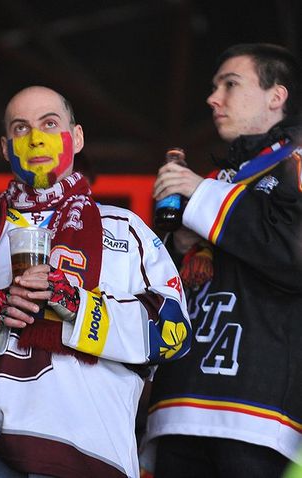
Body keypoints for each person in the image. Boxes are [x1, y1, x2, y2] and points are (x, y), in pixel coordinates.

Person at [0, 85, 191, 478]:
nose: (36, 137)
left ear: (76, 138)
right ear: (6, 148)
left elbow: (173, 331)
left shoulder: (126, 230)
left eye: (49, 123)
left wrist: (78, 305)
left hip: (95, 453)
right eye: (21, 128)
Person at [147, 43, 302, 477]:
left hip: (258, 412)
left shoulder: (294, 163)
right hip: (178, 405)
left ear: (277, 95)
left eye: (230, 84)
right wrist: (176, 241)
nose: (214, 98)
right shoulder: (217, 180)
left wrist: (203, 195)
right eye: (214, 87)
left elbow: (294, 256)